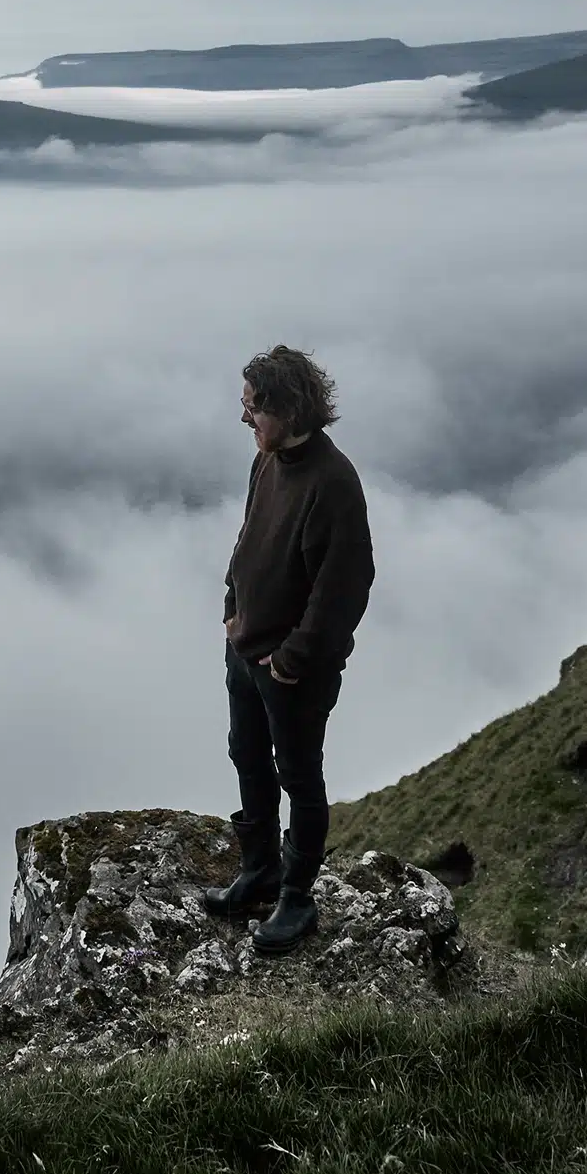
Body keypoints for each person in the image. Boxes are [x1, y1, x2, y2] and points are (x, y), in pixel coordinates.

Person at [203, 344, 375, 953]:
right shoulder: (267, 463)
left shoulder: (334, 483)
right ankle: (259, 870)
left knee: (299, 777)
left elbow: (346, 588)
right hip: (246, 650)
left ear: (290, 408)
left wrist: (292, 660)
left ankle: (297, 901)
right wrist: (232, 607)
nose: (245, 419)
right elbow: (248, 538)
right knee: (247, 756)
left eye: (254, 408)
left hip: (290, 670)